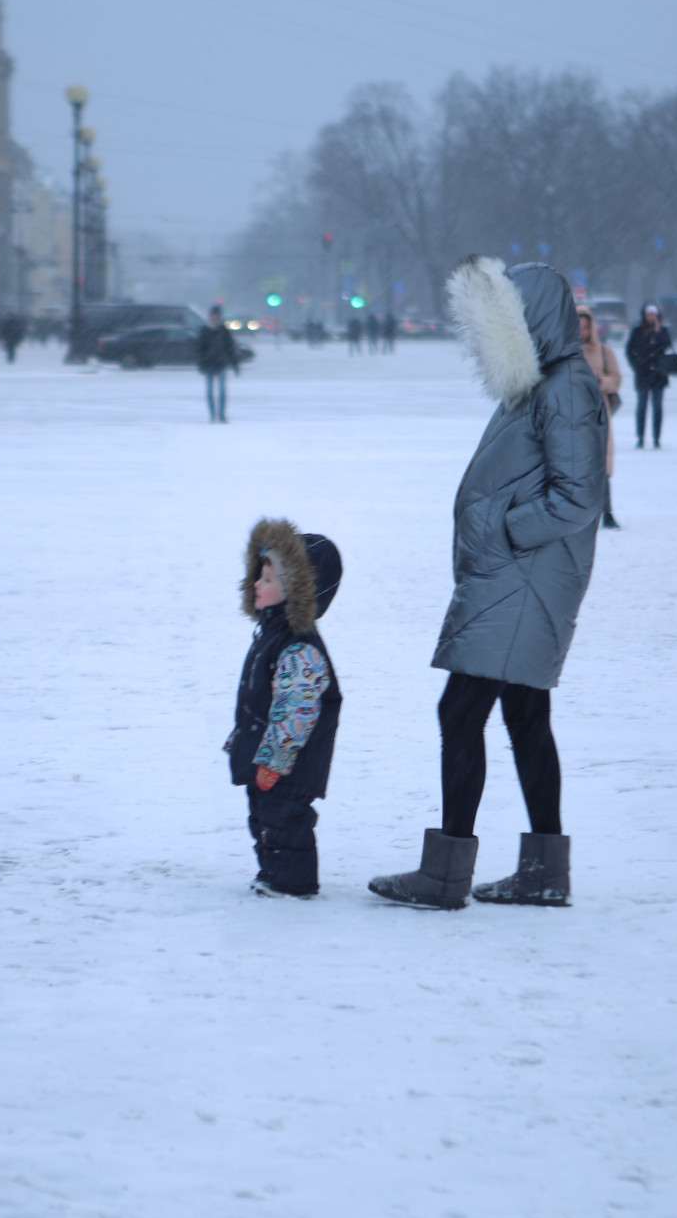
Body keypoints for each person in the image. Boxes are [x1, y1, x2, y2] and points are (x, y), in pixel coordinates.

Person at [370, 258, 605, 910]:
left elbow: (578, 497)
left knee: (462, 710)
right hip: (522, 579)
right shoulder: (543, 385)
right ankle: (544, 870)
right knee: (526, 715)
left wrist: (500, 530)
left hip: (523, 579)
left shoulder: (564, 389)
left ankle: (446, 870)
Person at [225, 521, 344, 897]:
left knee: (285, 821)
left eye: (269, 579)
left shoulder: (299, 647)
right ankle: (274, 875)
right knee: (263, 819)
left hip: (287, 763)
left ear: (297, 592)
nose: (257, 585)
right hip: (266, 758)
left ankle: (294, 883)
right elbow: (259, 700)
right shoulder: (273, 635)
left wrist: (274, 761)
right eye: (259, 576)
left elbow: (296, 711)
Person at [575, 304, 624, 529]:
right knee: (577, 463)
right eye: (578, 326)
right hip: (573, 412)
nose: (582, 331)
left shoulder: (604, 352)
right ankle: (581, 514)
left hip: (599, 412)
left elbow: (616, 379)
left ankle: (607, 512)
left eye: (586, 327)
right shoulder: (567, 352)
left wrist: (599, 382)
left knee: (602, 463)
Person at [626, 303, 673, 449]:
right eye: (649, 315)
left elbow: (668, 347)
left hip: (659, 374)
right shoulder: (637, 331)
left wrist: (658, 333)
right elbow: (629, 349)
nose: (651, 317)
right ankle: (640, 437)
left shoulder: (663, 331)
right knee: (642, 406)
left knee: (658, 407)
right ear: (644, 316)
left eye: (654, 315)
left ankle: (656, 438)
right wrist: (636, 364)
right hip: (643, 374)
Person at [196, 306, 239, 423]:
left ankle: (222, 415)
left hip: (221, 364)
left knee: (222, 392)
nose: (216, 317)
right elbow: (200, 348)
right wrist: (201, 363)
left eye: (217, 315)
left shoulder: (224, 330)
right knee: (210, 392)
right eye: (214, 315)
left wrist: (235, 364)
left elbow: (230, 347)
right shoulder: (205, 330)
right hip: (209, 364)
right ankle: (212, 414)